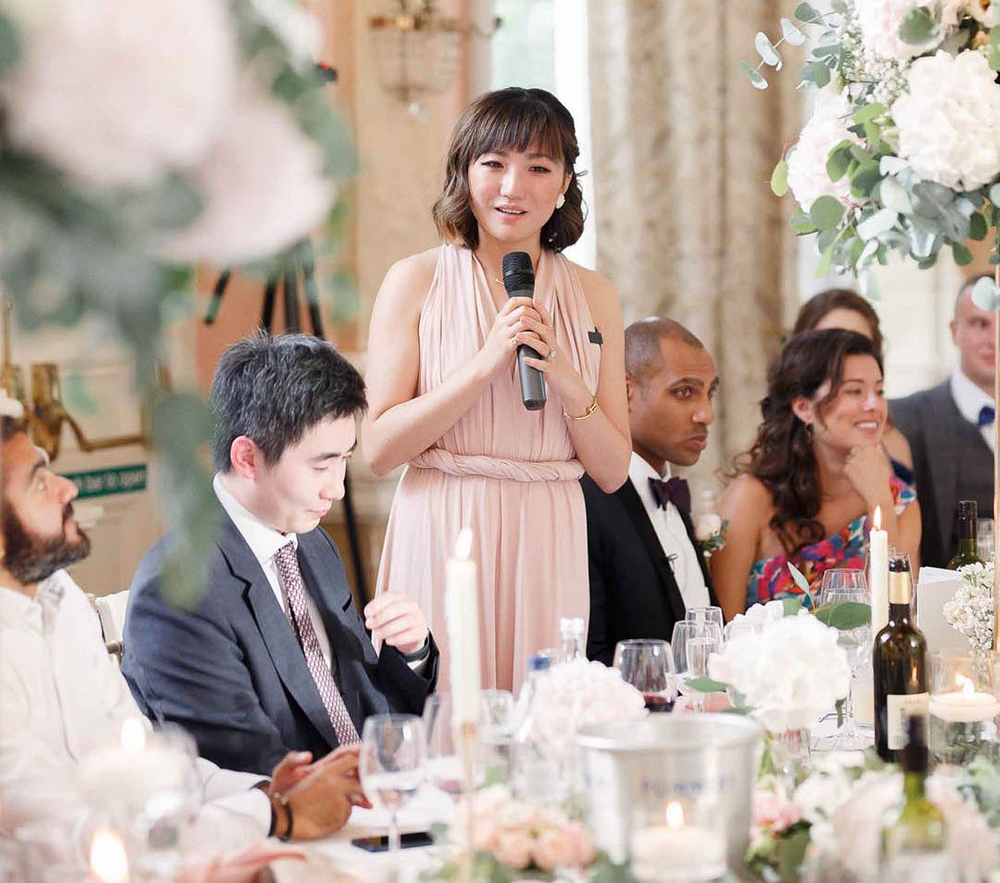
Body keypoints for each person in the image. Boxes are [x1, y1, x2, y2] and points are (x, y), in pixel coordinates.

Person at [0, 415, 366, 858]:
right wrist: (275, 813)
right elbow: (75, 835)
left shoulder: (61, 597)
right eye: (39, 484)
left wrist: (266, 789)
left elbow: (147, 764)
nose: (68, 488)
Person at [364, 87, 630, 692]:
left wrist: (564, 377)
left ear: (564, 184)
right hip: (443, 520)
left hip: (547, 531)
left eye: (539, 168)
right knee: (440, 718)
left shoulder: (595, 295)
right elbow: (378, 450)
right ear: (464, 171)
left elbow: (612, 471)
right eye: (494, 164)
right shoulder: (415, 281)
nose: (514, 187)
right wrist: (483, 366)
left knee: (538, 725)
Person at [123, 333, 438, 776]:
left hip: (370, 802)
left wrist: (411, 652)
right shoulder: (178, 591)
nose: (337, 487)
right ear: (248, 457)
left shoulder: (311, 543)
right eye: (319, 465)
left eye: (344, 460)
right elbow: (245, 764)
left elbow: (363, 717)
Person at [712, 330, 920, 619]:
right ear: (803, 407)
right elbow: (719, 628)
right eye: (854, 391)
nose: (874, 405)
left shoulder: (900, 503)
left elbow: (892, 621)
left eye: (880, 391)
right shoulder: (749, 499)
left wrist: (879, 501)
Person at [583, 318, 720, 664]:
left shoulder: (672, 497)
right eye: (684, 391)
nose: (707, 414)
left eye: (710, 392)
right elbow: (589, 657)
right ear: (625, 390)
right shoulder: (589, 500)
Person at [891, 274, 996, 568]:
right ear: (954, 330)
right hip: (942, 606)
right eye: (980, 324)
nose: (993, 339)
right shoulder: (905, 419)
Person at [792, 288, 913, 482]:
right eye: (829, 344)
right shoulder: (771, 462)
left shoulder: (894, 442)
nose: (847, 353)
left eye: (858, 345)